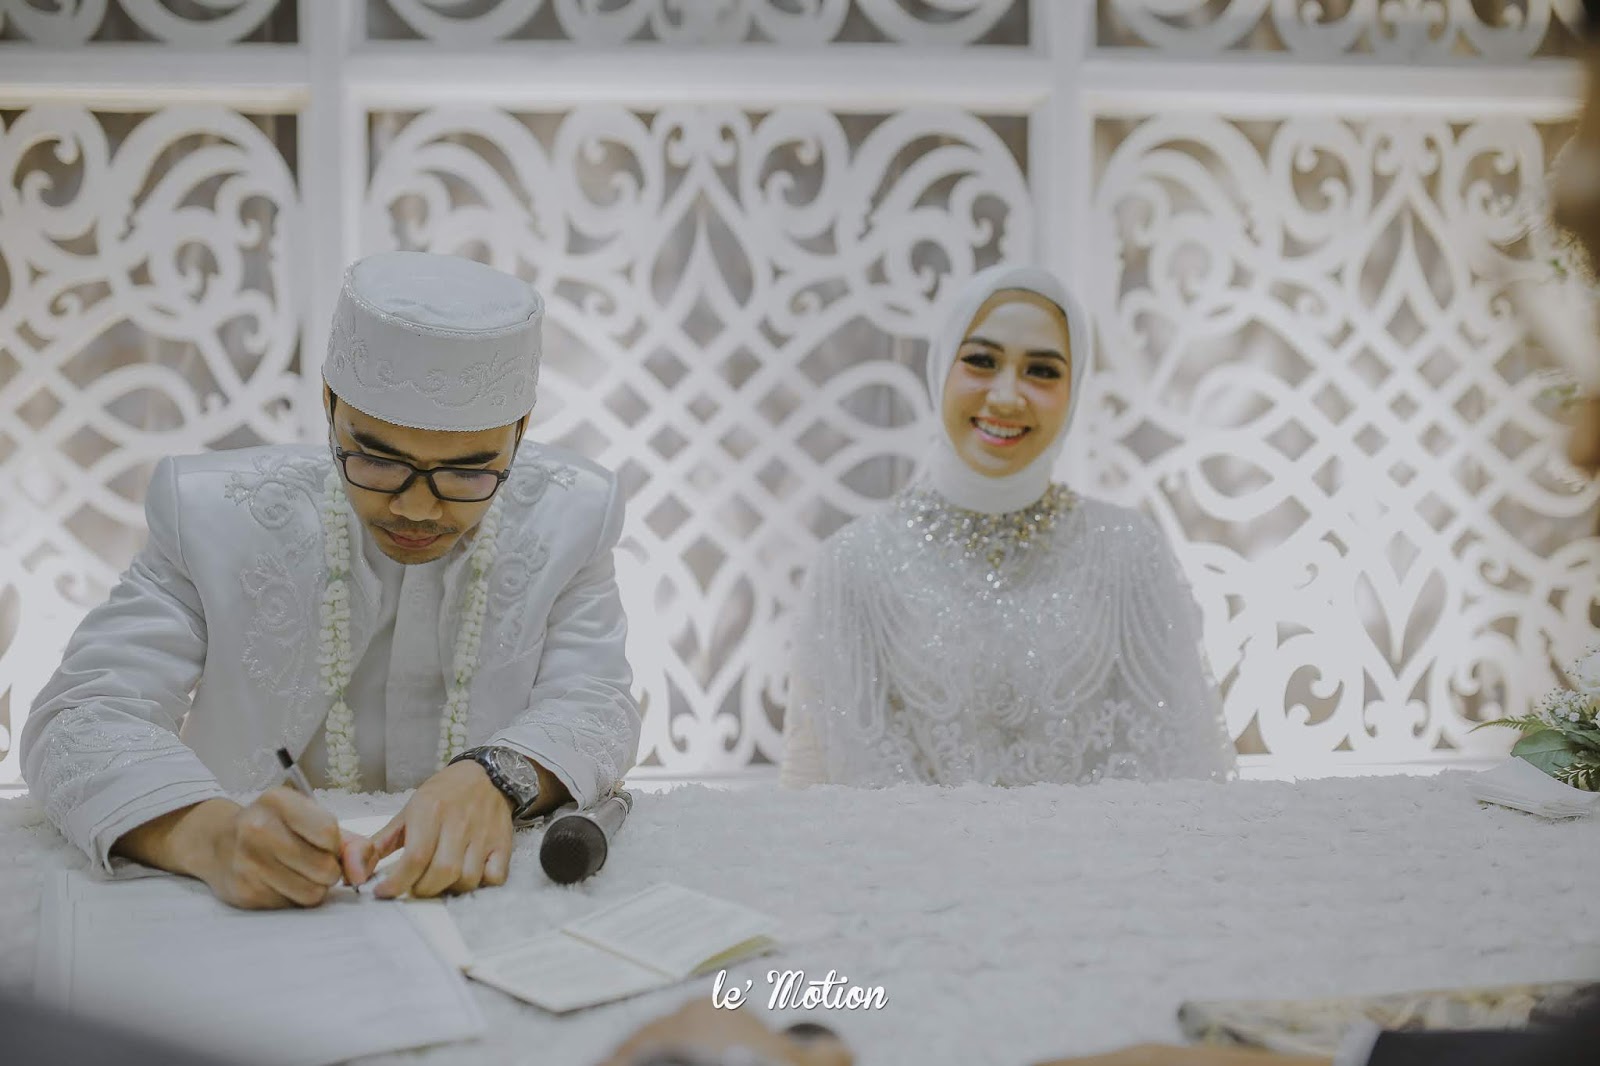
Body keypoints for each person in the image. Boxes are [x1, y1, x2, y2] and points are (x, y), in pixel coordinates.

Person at [21, 250, 640, 907]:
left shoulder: (575, 514)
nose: (416, 508)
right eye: (377, 460)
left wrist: (498, 776)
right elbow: (80, 716)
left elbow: (597, 701)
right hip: (248, 916)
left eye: (466, 472)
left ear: (520, 431)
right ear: (328, 403)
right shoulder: (209, 515)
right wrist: (209, 837)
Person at [780, 264, 1235, 788]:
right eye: (981, 361)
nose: (1006, 396)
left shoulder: (1128, 555)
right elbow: (815, 785)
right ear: (941, 367)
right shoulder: (852, 566)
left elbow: (1183, 775)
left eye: (1041, 371)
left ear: (1073, 389)